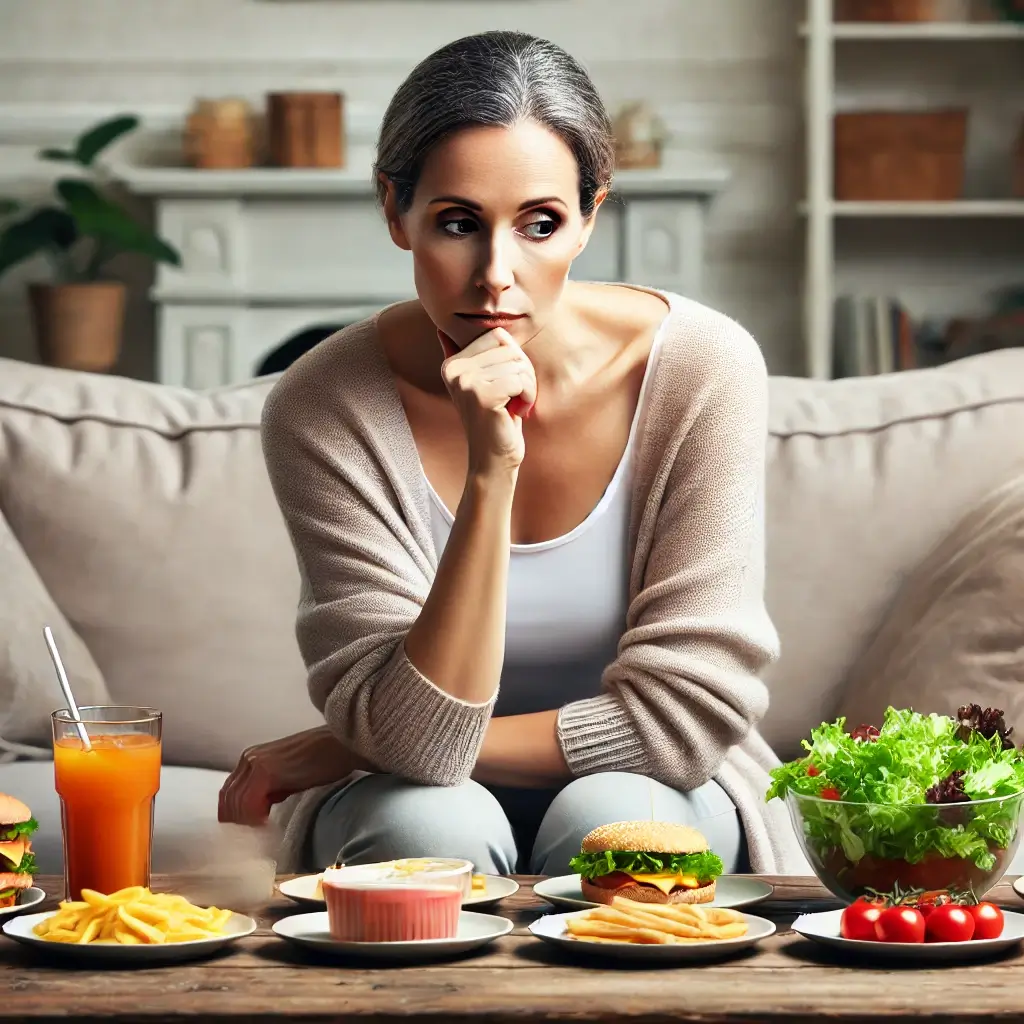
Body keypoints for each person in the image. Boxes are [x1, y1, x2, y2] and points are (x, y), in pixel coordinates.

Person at [217, 30, 805, 878]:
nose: (496, 273)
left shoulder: (701, 369)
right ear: (396, 211)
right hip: (402, 792)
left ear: (591, 217)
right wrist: (493, 472)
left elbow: (682, 721)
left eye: (540, 224)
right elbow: (413, 743)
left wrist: (347, 745)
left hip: (651, 783)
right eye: (458, 223)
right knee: (429, 834)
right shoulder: (323, 405)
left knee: (618, 821)